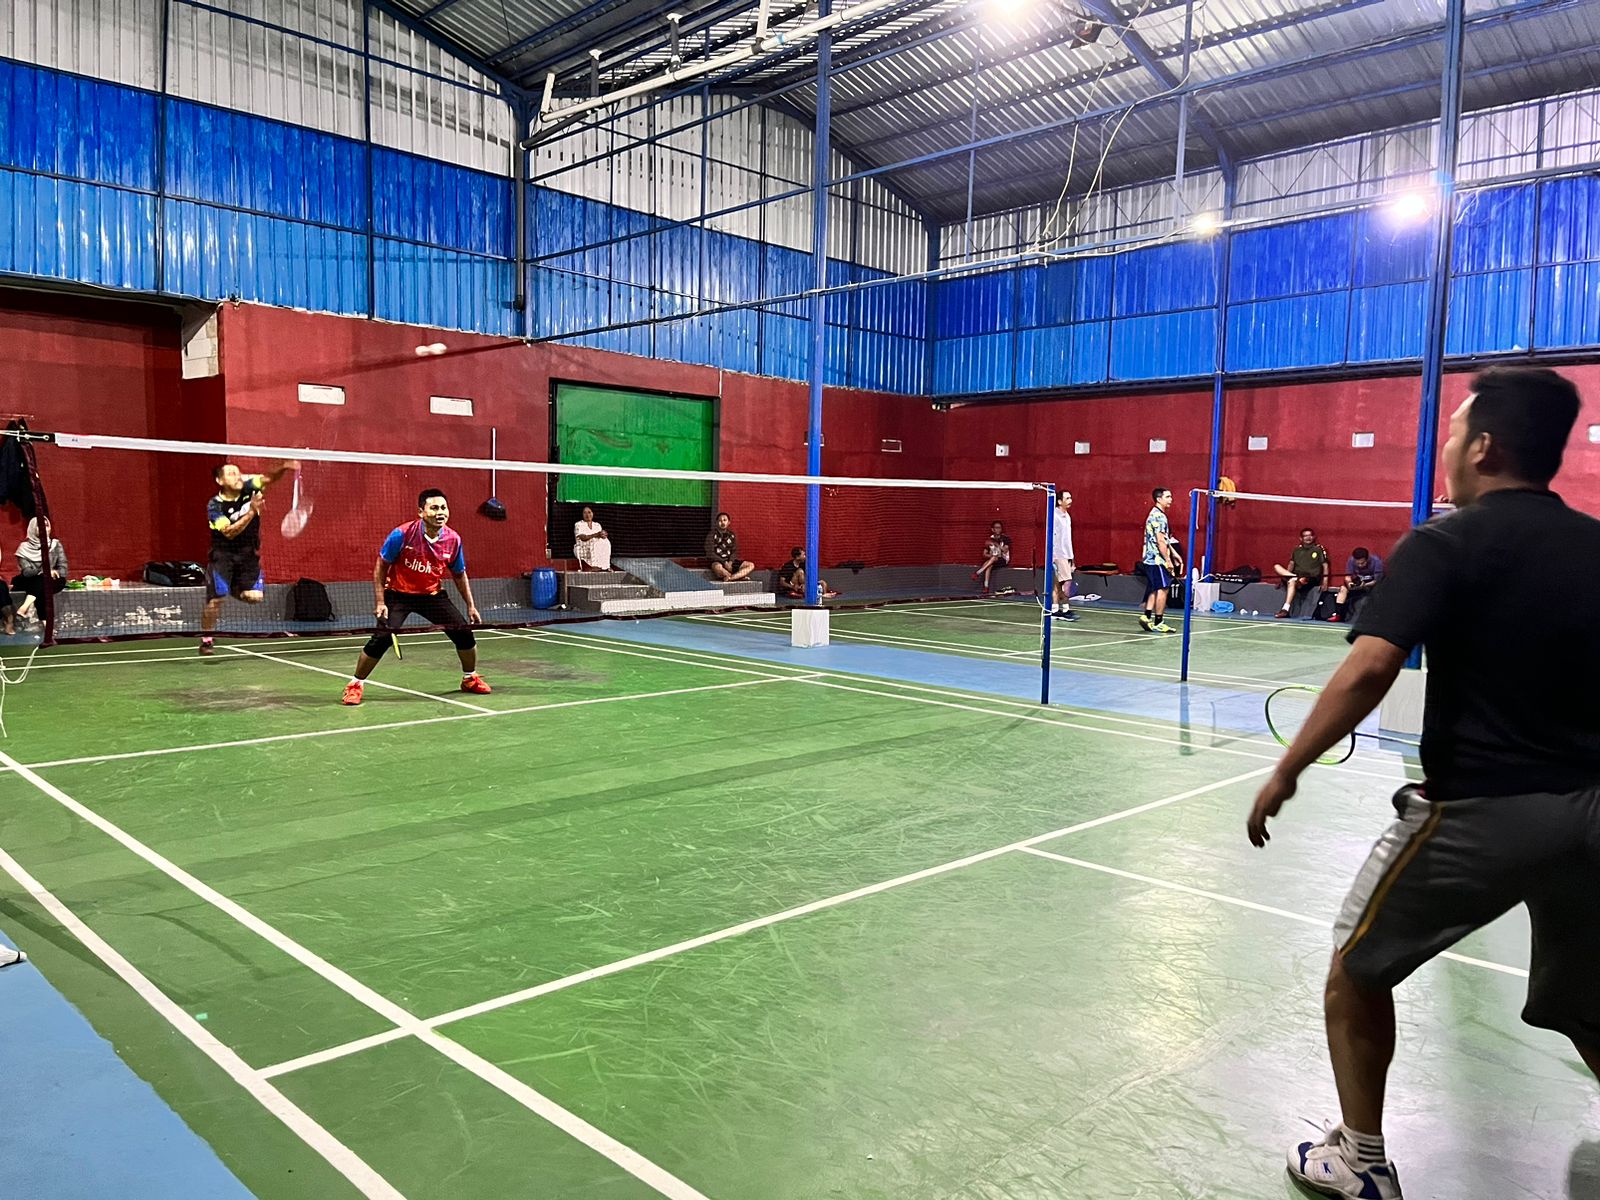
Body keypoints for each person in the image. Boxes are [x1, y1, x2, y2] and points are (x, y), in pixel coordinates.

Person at [1246, 367, 1600, 1200]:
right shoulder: (1594, 544)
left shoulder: (1444, 543)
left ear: (1483, 447)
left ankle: (1362, 1164)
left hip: (1481, 813)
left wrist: (1288, 767)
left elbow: (1371, 666)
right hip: (1592, 812)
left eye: (1454, 430)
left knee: (1356, 968)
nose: (1446, 445)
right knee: (1590, 1004)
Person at [341, 488, 490, 705]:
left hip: (432, 595)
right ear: (421, 512)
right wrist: (381, 601)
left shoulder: (453, 539)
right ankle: (355, 684)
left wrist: (471, 606)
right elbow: (381, 566)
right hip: (398, 594)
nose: (440, 513)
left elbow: (459, 574)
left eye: (444, 508)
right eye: (434, 508)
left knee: (464, 634)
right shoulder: (401, 535)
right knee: (382, 638)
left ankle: (469, 678)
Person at [199, 459, 299, 656]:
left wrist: (284, 467)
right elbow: (229, 532)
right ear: (220, 480)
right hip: (223, 556)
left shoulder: (249, 487)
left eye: (238, 472)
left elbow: (269, 478)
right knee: (215, 601)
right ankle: (206, 640)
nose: (237, 476)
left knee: (254, 597)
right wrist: (252, 511)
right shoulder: (214, 505)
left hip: (247, 555)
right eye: (231, 474)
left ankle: (231, 587)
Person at [12, 517, 67, 623]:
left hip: (54, 580)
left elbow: (63, 568)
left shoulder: (55, 545)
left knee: (43, 583)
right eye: (39, 526)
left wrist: (54, 573)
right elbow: (27, 572)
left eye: (46, 526)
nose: (43, 528)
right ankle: (47, 627)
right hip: (31, 580)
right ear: (32, 528)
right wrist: (45, 572)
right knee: (42, 584)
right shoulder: (24, 548)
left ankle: (24, 607)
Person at [1139, 488, 1180, 633]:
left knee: (1154, 587)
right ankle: (1159, 622)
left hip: (1150, 558)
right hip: (1157, 559)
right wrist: (1168, 560)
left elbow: (1164, 539)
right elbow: (1160, 541)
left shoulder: (1154, 514)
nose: (1171, 500)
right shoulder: (1160, 517)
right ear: (1159, 499)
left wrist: (1174, 553)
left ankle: (1146, 617)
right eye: (1167, 497)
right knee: (1163, 588)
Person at [1274, 527, 1331, 619]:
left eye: (1310, 535)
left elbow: (1325, 566)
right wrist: (1284, 578)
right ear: (1301, 538)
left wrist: (1325, 582)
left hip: (1310, 578)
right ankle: (1294, 577)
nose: (1308, 538)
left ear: (1314, 537)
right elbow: (1291, 564)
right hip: (1295, 576)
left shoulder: (1318, 549)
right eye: (1305, 536)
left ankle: (1285, 610)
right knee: (1276, 566)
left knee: (1292, 581)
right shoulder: (1296, 550)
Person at [1330, 546, 1385, 623]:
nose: (1360, 565)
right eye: (1357, 563)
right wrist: (1349, 583)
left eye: (1362, 563)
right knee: (1343, 589)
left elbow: (1378, 580)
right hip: (1358, 583)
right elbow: (1348, 576)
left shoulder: (1376, 562)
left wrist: (1365, 585)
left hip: (1371, 584)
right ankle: (1338, 615)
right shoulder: (1351, 560)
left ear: (1367, 559)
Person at [1051, 490, 1079, 620]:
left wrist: (1071, 557)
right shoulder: (1054, 516)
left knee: (1058, 584)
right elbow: (1052, 536)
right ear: (1059, 501)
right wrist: (1052, 556)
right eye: (1067, 498)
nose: (1070, 501)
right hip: (1058, 554)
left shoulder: (1067, 516)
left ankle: (1056, 610)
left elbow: (1068, 539)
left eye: (1070, 498)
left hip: (1067, 555)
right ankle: (1065, 610)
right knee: (1067, 583)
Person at [705, 512, 754, 581]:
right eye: (720, 520)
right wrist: (724, 562)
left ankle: (731, 578)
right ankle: (738, 577)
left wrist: (730, 562)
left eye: (725, 520)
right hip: (718, 561)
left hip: (730, 562)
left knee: (750, 565)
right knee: (717, 568)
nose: (722, 522)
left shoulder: (732, 535)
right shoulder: (711, 535)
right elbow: (710, 553)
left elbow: (734, 551)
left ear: (728, 522)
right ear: (716, 523)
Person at [974, 521, 1012, 594]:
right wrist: (991, 556)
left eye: (999, 528)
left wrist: (997, 545)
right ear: (992, 529)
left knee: (992, 560)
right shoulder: (989, 540)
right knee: (989, 565)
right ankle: (986, 587)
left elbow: (1005, 550)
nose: (998, 529)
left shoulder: (1005, 538)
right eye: (996, 528)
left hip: (1003, 559)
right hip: (993, 559)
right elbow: (984, 554)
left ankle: (978, 573)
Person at [573, 506, 612, 571]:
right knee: (594, 544)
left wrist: (604, 535)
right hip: (583, 546)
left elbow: (601, 536)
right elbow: (583, 537)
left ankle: (606, 566)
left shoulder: (597, 525)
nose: (587, 515)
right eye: (585, 513)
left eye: (589, 512)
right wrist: (596, 534)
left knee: (606, 541)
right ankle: (594, 566)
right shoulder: (578, 524)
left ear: (592, 513)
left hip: (597, 546)